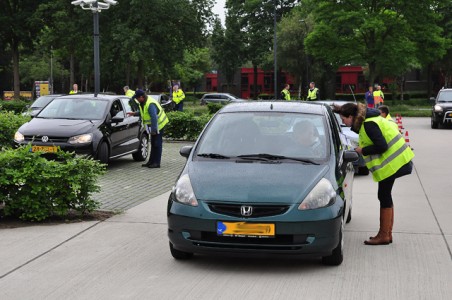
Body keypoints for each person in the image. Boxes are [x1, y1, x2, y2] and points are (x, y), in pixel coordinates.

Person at [335, 102, 414, 245]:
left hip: (394, 163)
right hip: (398, 161)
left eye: (343, 119)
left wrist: (362, 150)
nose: (343, 122)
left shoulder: (368, 124)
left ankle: (384, 235)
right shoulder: (370, 120)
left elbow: (381, 146)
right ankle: (387, 234)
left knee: (384, 195)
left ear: (351, 116)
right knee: (385, 195)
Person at [127, 89, 169, 168]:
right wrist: (134, 113)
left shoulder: (150, 104)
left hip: (158, 125)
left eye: (137, 98)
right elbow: (143, 113)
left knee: (157, 144)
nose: (136, 99)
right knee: (153, 143)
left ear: (141, 97)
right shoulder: (143, 103)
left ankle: (156, 163)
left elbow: (154, 118)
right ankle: (151, 162)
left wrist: (153, 130)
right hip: (154, 126)